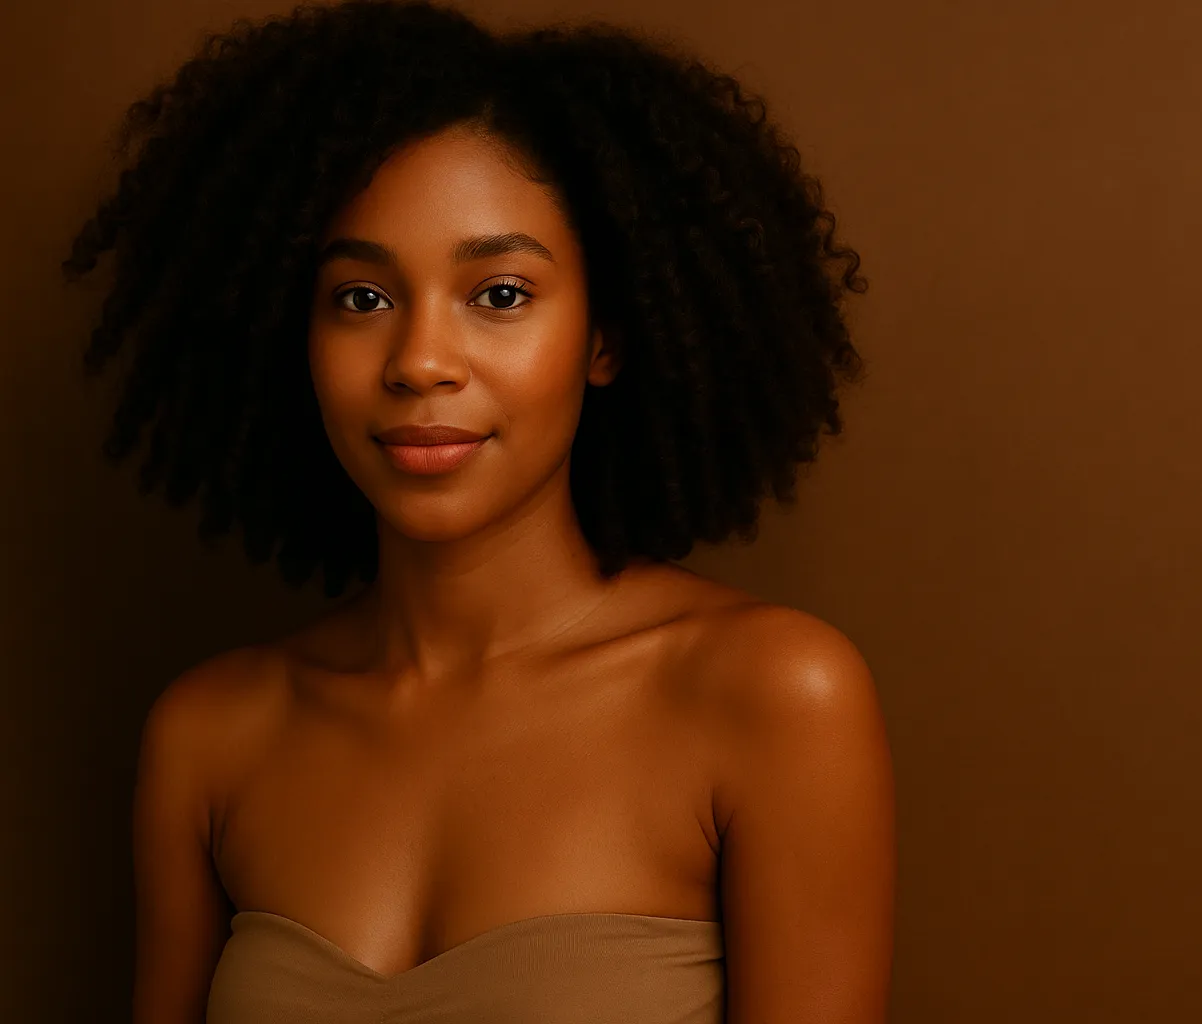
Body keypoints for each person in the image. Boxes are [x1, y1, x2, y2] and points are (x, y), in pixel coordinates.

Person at [61, 1, 895, 1021]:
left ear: (605, 338)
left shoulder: (769, 697)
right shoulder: (212, 737)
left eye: (499, 294)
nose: (419, 362)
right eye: (362, 298)